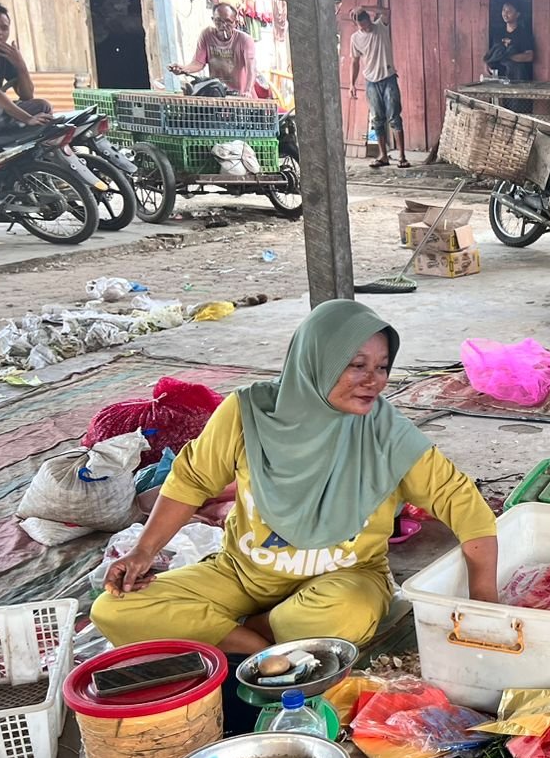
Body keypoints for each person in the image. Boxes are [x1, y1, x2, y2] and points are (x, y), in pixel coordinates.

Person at [92, 302, 501, 721]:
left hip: (344, 578)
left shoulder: (388, 434)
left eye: (381, 367)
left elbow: (468, 510)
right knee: (114, 608)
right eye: (356, 364)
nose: (372, 381)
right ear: (315, 360)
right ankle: (259, 648)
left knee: (345, 613)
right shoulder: (248, 413)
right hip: (242, 574)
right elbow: (191, 480)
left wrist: (486, 613)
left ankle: (242, 636)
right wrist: (142, 552)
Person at [0, 2, 52, 162]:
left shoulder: (3, 52)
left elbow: (26, 95)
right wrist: (27, 119)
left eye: (4, 28)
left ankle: (35, 163)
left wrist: (20, 65)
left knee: (41, 106)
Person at [348, 7, 408, 169]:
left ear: (369, 19)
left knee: (394, 117)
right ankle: (383, 156)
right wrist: (351, 84)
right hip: (371, 82)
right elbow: (355, 62)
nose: (365, 28)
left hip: (388, 78)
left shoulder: (381, 26)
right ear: (356, 25)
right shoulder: (355, 39)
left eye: (366, 24)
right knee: (377, 120)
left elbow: (387, 11)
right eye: (361, 26)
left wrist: (365, 7)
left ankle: (402, 156)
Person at [484, 1, 536, 112]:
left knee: (518, 109)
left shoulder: (523, 34)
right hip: (500, 79)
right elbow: (493, 54)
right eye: (503, 10)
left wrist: (508, 56)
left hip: (518, 79)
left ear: (517, 14)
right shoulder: (497, 33)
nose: (505, 13)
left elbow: (529, 56)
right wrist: (489, 64)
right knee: (500, 111)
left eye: (509, 11)